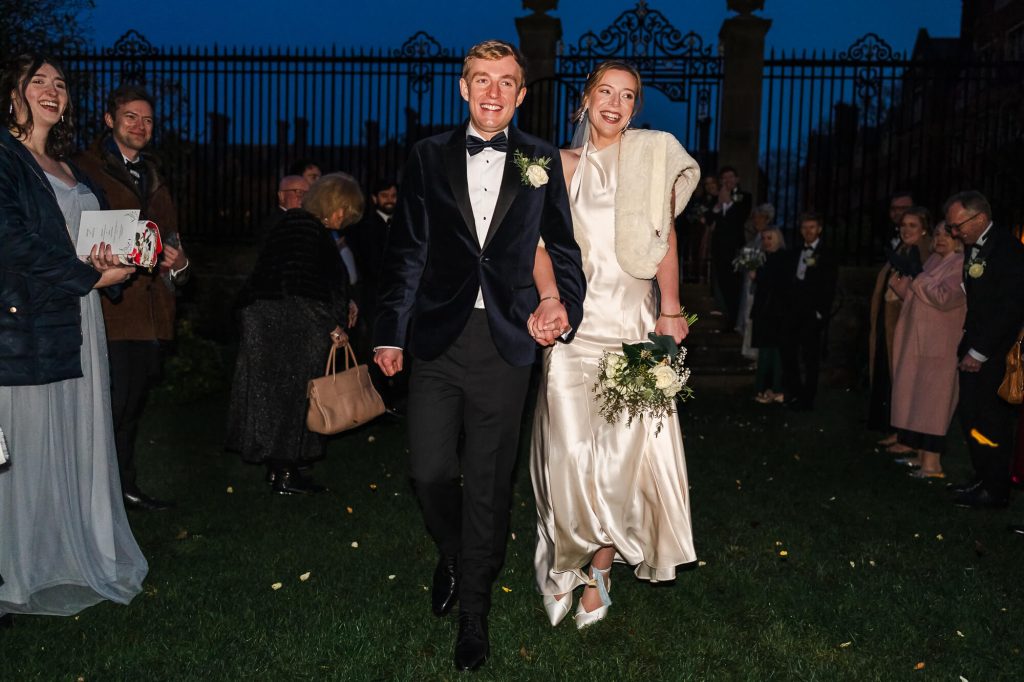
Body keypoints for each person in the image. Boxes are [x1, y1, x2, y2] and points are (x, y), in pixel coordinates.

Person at [372, 40, 585, 671]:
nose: (492, 92)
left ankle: (474, 615)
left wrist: (561, 304)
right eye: (481, 81)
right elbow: (407, 251)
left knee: (489, 480)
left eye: (506, 83)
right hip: (437, 338)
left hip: (506, 341)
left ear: (521, 95)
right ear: (463, 89)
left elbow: (562, 250)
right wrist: (390, 332)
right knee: (430, 470)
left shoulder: (540, 160)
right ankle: (457, 549)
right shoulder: (427, 157)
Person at [527, 60, 699, 631]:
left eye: (628, 96)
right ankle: (561, 563)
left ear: (635, 108)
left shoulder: (649, 161)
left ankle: (599, 571)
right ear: (585, 99)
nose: (616, 103)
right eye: (606, 90)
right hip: (575, 329)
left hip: (631, 324)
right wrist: (549, 299)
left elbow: (666, 238)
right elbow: (537, 246)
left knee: (623, 461)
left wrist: (670, 312)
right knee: (568, 456)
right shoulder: (557, 165)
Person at [0, 53, 147, 619]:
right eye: (36, 81)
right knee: (25, 445)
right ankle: (13, 570)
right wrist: (89, 274)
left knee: (72, 435)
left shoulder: (68, 166)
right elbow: (10, 241)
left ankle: (64, 552)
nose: (50, 90)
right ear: (11, 91)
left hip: (77, 316)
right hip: (24, 323)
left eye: (59, 83)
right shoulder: (5, 157)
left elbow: (81, 237)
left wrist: (110, 262)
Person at [74, 84, 190, 512]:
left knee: (131, 407)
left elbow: (174, 240)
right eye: (131, 117)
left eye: (148, 120)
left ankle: (122, 488)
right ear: (109, 120)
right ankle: (96, 497)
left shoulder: (156, 175)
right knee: (108, 408)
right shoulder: (84, 168)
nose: (141, 126)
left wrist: (178, 265)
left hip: (152, 313)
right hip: (108, 311)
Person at [226, 173, 362, 494]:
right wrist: (332, 324)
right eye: (346, 209)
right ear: (335, 206)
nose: (347, 218)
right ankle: (286, 474)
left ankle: (279, 470)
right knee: (290, 398)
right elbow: (297, 286)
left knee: (280, 399)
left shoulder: (299, 226)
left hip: (278, 322)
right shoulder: (306, 229)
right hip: (288, 326)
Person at [944, 191, 1024, 509]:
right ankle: (982, 477)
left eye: (956, 225)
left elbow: (1009, 308)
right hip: (974, 343)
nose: (953, 232)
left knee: (991, 419)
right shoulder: (974, 247)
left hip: (994, 352)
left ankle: (996, 488)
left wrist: (979, 352)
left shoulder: (1008, 250)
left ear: (979, 219)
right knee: (970, 415)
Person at [888, 220, 965, 477]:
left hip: (940, 346)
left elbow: (945, 297)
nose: (941, 238)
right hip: (920, 342)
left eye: (948, 234)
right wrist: (903, 281)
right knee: (919, 401)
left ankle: (933, 465)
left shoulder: (961, 264)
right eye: (938, 233)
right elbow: (918, 291)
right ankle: (922, 458)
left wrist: (918, 278)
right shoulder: (934, 260)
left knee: (934, 404)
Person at [869, 207, 931, 443]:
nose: (906, 229)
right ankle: (893, 428)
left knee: (904, 379)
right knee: (888, 374)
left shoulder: (923, 254)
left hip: (905, 329)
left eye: (912, 225)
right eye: (903, 225)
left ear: (924, 229)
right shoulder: (901, 249)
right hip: (889, 325)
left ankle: (904, 433)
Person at [780, 212, 839, 411]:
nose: (808, 231)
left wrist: (820, 312)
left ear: (819, 229)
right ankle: (795, 392)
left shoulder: (827, 254)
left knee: (810, 357)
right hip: (792, 312)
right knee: (789, 353)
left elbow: (829, 285)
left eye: (812, 227)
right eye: (805, 227)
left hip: (811, 313)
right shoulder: (795, 251)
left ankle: (808, 398)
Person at [751, 227, 787, 403]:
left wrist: (758, 275)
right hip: (764, 312)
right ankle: (764, 389)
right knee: (765, 352)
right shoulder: (763, 258)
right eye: (764, 238)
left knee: (775, 352)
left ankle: (775, 389)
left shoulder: (781, 258)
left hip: (776, 312)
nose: (766, 241)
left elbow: (776, 283)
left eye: (770, 238)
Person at [709, 165, 750, 322]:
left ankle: (736, 319)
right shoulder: (716, 198)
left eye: (730, 177)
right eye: (724, 178)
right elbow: (710, 220)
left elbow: (740, 218)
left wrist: (729, 203)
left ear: (737, 179)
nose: (727, 181)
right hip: (719, 249)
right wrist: (719, 205)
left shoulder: (745, 197)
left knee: (735, 285)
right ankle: (728, 317)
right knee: (723, 285)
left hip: (735, 249)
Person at [737, 203, 776, 358]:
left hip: (762, 287)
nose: (756, 221)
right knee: (748, 317)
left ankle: (758, 355)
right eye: (755, 218)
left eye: (759, 218)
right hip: (750, 284)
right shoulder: (755, 239)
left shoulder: (770, 236)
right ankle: (751, 354)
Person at [256, 174, 309, 242]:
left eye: (307, 193)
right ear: (282, 196)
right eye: (299, 192)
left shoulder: (308, 220)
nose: (303, 197)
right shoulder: (273, 225)